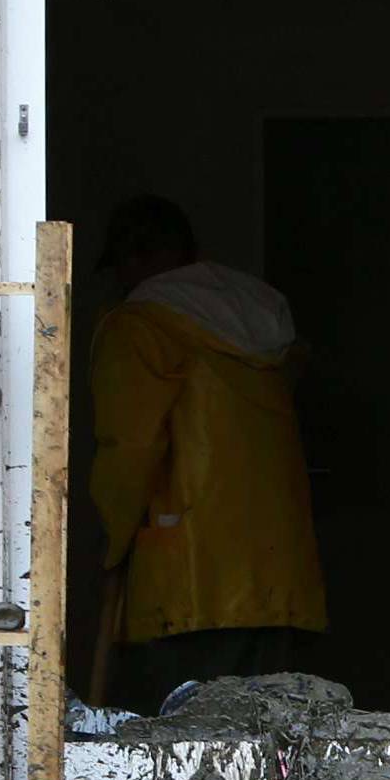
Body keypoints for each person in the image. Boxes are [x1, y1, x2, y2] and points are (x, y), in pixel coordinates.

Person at [89, 195, 327, 711]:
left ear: (132, 261)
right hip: (278, 577)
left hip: (187, 585)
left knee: (183, 752)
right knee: (264, 751)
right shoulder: (265, 324)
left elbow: (129, 447)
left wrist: (109, 538)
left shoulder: (139, 327)